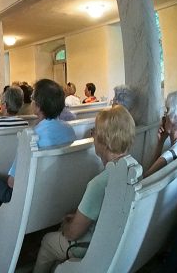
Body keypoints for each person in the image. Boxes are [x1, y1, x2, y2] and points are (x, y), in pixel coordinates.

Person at [33, 106, 135, 272]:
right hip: (118, 243)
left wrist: (66, 225)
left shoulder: (98, 183)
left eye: (94, 132)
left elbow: (73, 234)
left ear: (104, 140)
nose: (92, 136)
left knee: (48, 240)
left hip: (90, 249)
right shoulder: (133, 167)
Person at [0, 79, 76, 222]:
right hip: (54, 189)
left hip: (25, 195)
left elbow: (12, 183)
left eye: (33, 98)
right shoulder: (69, 129)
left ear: (38, 106)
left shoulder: (32, 135)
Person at [144, 90, 177, 178]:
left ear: (175, 118)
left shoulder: (168, 156)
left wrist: (160, 145)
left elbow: (144, 180)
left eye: (167, 111)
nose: (164, 117)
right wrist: (161, 141)